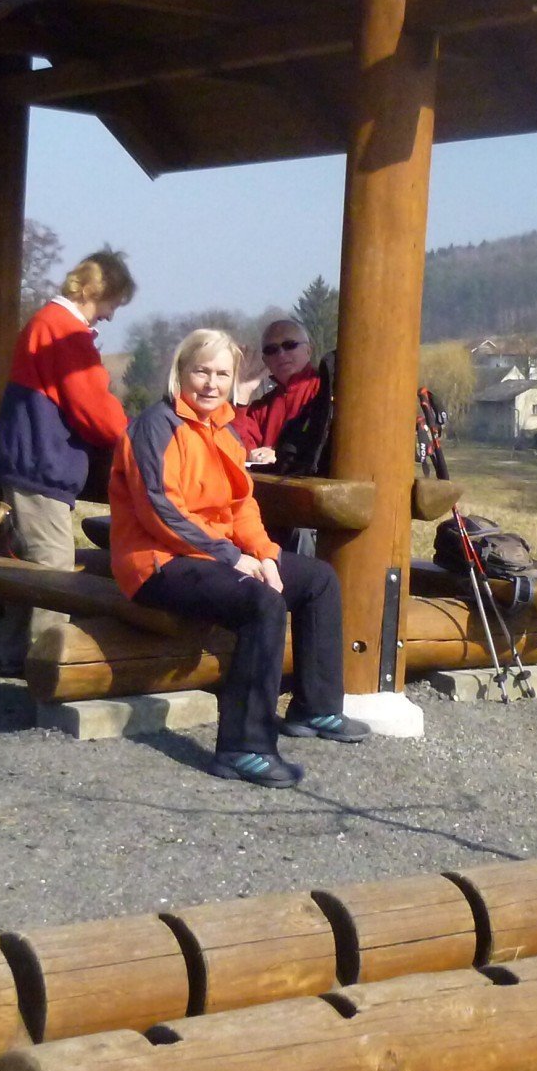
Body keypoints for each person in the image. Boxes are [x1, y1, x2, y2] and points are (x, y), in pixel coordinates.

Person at [108, 328, 367, 786]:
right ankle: (243, 746)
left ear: (234, 380)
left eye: (221, 374)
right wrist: (231, 558)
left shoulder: (223, 430)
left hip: (213, 554)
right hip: (158, 562)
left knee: (318, 579)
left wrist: (265, 554)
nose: (210, 383)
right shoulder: (156, 426)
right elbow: (159, 510)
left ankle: (316, 707)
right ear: (180, 373)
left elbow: (242, 504)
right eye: (201, 371)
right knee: (262, 604)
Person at [0, 249, 135, 665]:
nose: (109, 315)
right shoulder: (66, 332)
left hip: (24, 462)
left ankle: (16, 658)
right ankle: (47, 668)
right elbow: (95, 410)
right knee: (52, 571)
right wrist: (137, 439)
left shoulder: (44, 323)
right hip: (41, 466)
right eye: (112, 303)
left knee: (29, 570)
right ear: (96, 291)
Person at [231, 319, 319, 466]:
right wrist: (242, 392)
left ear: (308, 350)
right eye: (271, 350)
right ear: (265, 360)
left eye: (289, 345)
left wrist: (280, 454)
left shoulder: (326, 391)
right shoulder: (262, 408)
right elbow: (235, 447)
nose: (281, 354)